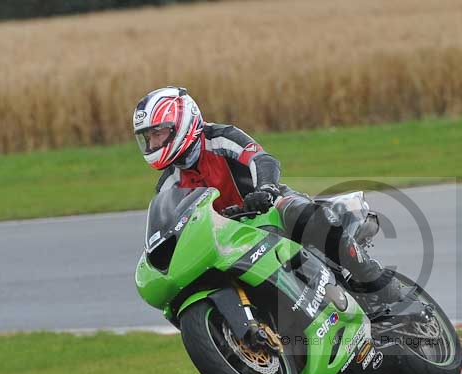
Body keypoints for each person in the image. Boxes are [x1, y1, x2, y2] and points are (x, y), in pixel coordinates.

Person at [133, 86, 399, 301]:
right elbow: (169, 227)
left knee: (301, 213)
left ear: (183, 121)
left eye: (159, 133)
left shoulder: (220, 138)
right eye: (148, 137)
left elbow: (263, 160)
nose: (154, 143)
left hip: (267, 208)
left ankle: (370, 275)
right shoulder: (168, 185)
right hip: (229, 240)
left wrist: (266, 190)